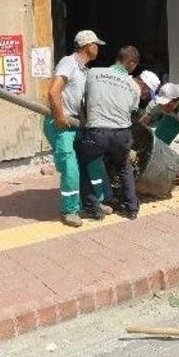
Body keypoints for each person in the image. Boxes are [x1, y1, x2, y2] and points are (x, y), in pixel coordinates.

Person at [45, 30, 112, 228]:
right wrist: (59, 116)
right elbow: (53, 91)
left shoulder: (84, 70)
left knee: (93, 162)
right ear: (87, 46)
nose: (98, 49)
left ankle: (94, 202)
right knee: (71, 168)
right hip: (61, 124)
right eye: (95, 45)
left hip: (76, 124)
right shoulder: (69, 63)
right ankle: (70, 210)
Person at [77, 46, 143, 219]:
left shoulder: (93, 73)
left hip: (96, 133)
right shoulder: (134, 86)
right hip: (121, 135)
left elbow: (82, 100)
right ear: (132, 63)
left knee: (81, 164)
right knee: (123, 167)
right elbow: (133, 112)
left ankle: (93, 207)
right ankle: (132, 209)